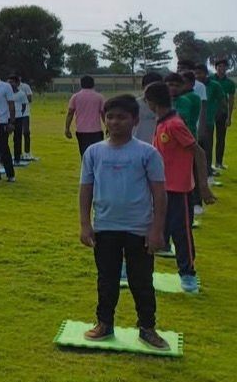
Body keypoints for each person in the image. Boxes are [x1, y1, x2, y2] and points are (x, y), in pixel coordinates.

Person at [78, 94, 168, 348]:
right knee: (106, 279)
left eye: (121, 117)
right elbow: (85, 190)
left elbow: (160, 194)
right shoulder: (94, 152)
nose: (115, 122)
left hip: (139, 229)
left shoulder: (147, 153)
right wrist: (86, 224)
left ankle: (147, 328)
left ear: (135, 120)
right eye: (110, 117)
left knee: (141, 281)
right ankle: (104, 323)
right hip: (105, 227)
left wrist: (156, 231)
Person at [145, 81, 215, 293]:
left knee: (181, 233)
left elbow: (199, 152)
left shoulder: (174, 124)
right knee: (154, 228)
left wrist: (202, 186)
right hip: (161, 189)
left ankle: (188, 274)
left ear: (153, 102)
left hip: (179, 190)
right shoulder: (161, 123)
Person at [65, 75, 106, 156]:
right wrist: (108, 127)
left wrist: (67, 128)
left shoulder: (75, 97)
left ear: (81, 84)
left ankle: (86, 168)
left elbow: (70, 113)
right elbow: (104, 114)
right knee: (97, 154)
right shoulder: (99, 97)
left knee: (84, 153)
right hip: (96, 131)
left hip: (81, 131)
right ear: (93, 84)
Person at [196, 64, 225, 175]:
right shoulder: (192, 85)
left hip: (207, 120)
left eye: (200, 73)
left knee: (207, 146)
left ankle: (208, 169)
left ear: (206, 73)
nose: (197, 75)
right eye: (196, 73)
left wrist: (220, 113)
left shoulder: (214, 85)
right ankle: (198, 170)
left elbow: (221, 100)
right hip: (194, 121)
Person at [134, 73, 165, 143]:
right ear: (143, 88)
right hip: (140, 144)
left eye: (157, 89)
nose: (153, 91)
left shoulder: (166, 106)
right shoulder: (134, 105)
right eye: (150, 88)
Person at [9, 74, 32, 162]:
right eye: (9, 82)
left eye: (12, 82)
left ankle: (22, 154)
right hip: (9, 116)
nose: (10, 84)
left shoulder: (24, 89)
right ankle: (4, 157)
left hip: (21, 115)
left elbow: (25, 103)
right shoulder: (7, 91)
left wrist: (20, 113)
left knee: (22, 134)